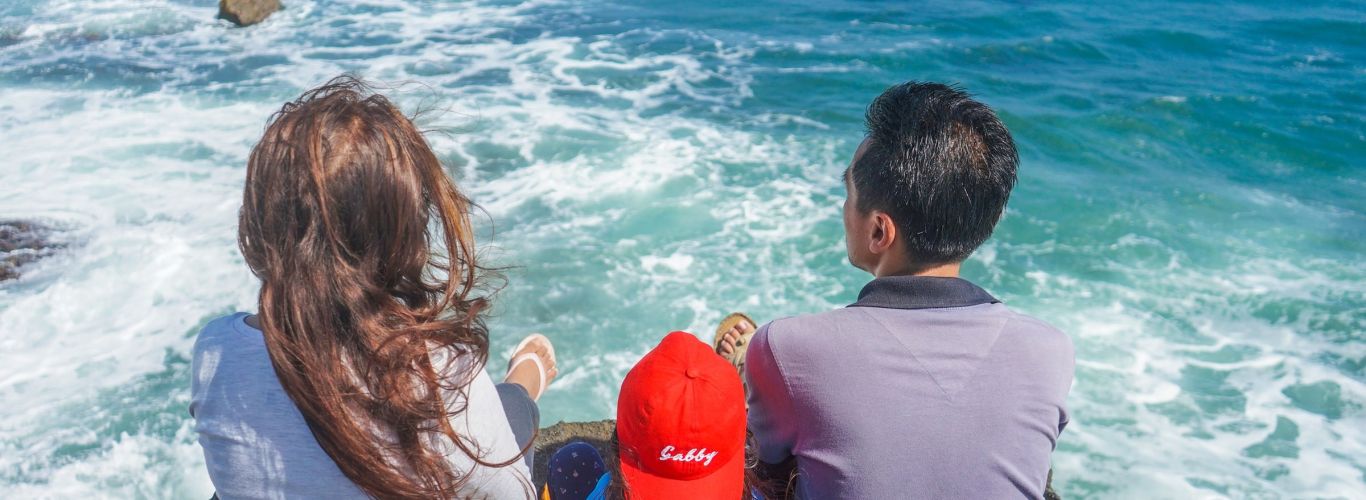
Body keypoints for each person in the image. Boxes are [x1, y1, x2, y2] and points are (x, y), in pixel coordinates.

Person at [189, 76, 558, 499]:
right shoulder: (440, 370)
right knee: (515, 411)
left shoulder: (216, 350)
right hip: (463, 419)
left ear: (259, 224)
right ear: (404, 235)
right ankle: (522, 383)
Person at [717, 82, 1074, 499]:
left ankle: (748, 376)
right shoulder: (1050, 350)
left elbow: (767, 469)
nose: (844, 208)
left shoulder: (788, 344)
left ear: (879, 230)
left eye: (848, 193)